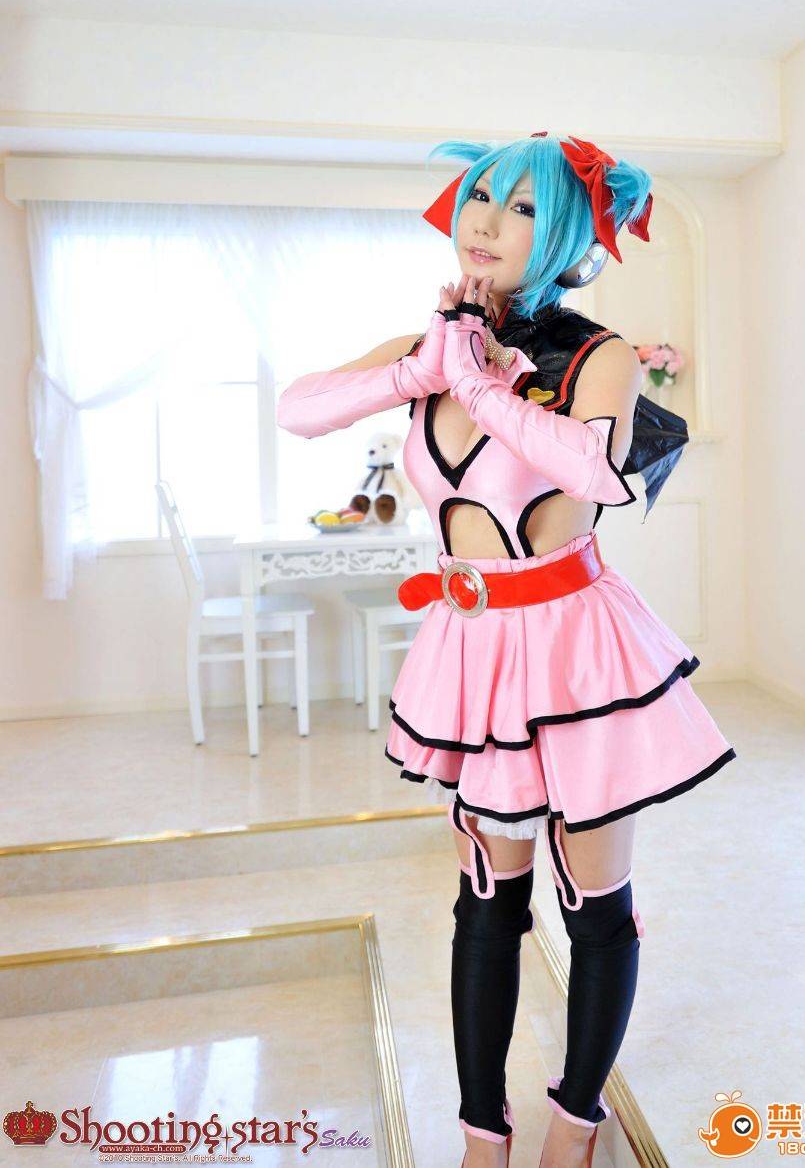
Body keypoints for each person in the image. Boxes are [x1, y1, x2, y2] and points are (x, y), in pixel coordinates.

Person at [277, 132, 736, 1168]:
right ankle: (483, 1135)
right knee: (487, 900)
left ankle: (576, 1122)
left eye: (522, 207)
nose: (484, 220)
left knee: (594, 901)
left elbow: (596, 469)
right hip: (472, 647)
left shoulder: (597, 354)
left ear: (566, 231)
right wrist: (422, 366)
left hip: (575, 648)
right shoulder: (429, 347)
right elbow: (297, 408)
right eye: (480, 197)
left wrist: (483, 387)